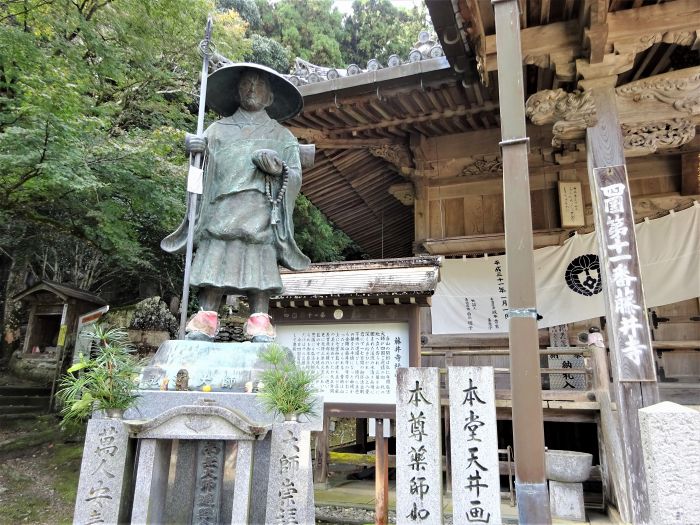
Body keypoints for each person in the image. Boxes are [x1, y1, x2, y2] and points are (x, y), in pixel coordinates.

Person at [161, 63, 310, 340]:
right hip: (221, 212)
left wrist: (279, 171)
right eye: (245, 84)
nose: (251, 89)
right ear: (236, 91)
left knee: (261, 270)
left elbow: (295, 173)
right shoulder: (216, 130)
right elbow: (200, 171)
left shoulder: (282, 136)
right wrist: (197, 152)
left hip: (261, 215)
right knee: (214, 262)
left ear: (270, 97)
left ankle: (260, 321)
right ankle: (205, 318)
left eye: (258, 84)